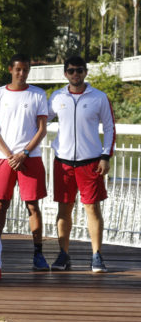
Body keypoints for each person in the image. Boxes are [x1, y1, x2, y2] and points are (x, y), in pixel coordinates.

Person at [48, 56, 115, 272]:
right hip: (63, 162)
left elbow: (110, 127)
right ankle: (63, 255)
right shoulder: (57, 97)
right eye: (71, 71)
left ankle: (96, 255)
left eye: (79, 70)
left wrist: (106, 156)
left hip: (91, 162)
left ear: (85, 72)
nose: (75, 74)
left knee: (92, 209)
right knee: (64, 209)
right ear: (65, 74)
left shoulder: (99, 97)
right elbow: (41, 120)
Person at [0, 54, 49, 271]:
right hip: (3, 158)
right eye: (18, 69)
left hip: (30, 157)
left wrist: (24, 153)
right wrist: (10, 155)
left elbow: (42, 129)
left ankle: (38, 253)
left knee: (32, 205)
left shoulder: (38, 94)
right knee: (1, 205)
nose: (22, 74)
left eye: (25, 70)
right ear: (10, 70)